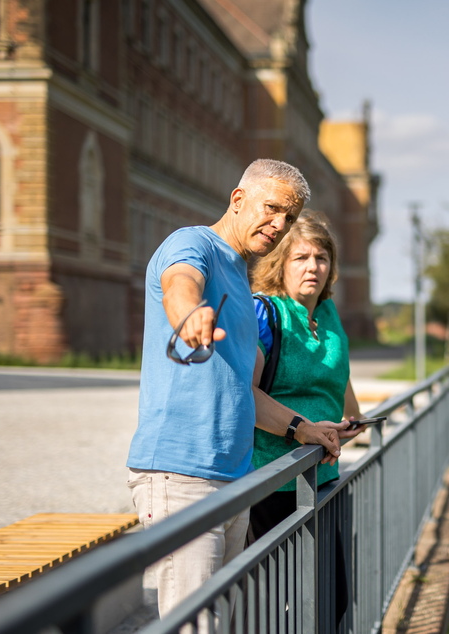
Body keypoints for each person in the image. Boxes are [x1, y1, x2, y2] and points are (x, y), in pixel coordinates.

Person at [125, 159, 350, 621]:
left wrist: (302, 428)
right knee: (196, 625)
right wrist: (189, 315)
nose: (278, 225)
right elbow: (180, 282)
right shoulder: (194, 243)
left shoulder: (239, 276)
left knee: (231, 621)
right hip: (181, 473)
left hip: (234, 479)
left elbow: (241, 394)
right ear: (238, 199)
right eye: (271, 209)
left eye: (288, 217)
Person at [248, 210, 364, 536]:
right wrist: (305, 428)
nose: (313, 267)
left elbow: (337, 371)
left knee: (328, 584)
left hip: (324, 474)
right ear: (279, 264)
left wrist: (354, 419)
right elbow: (245, 392)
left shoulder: (328, 312)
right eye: (300, 257)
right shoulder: (265, 313)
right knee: (283, 586)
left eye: (322, 257)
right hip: (274, 481)